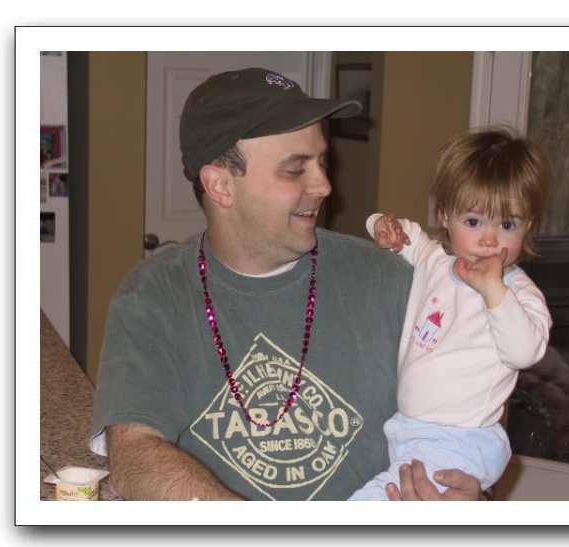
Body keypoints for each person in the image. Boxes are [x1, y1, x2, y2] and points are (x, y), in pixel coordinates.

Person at [90, 67, 482, 501]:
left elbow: (470, 417)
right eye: (295, 169)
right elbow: (135, 454)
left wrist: (470, 495)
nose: (325, 185)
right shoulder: (154, 295)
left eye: (322, 162)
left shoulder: (393, 281)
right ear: (220, 185)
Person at [349, 129, 552, 500]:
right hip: (412, 429)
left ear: (529, 225)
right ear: (444, 215)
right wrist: (380, 225)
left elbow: (525, 352)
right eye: (473, 222)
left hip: (463, 440)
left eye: (508, 225)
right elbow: (401, 232)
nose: (489, 240)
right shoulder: (434, 260)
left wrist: (494, 291)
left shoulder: (519, 294)